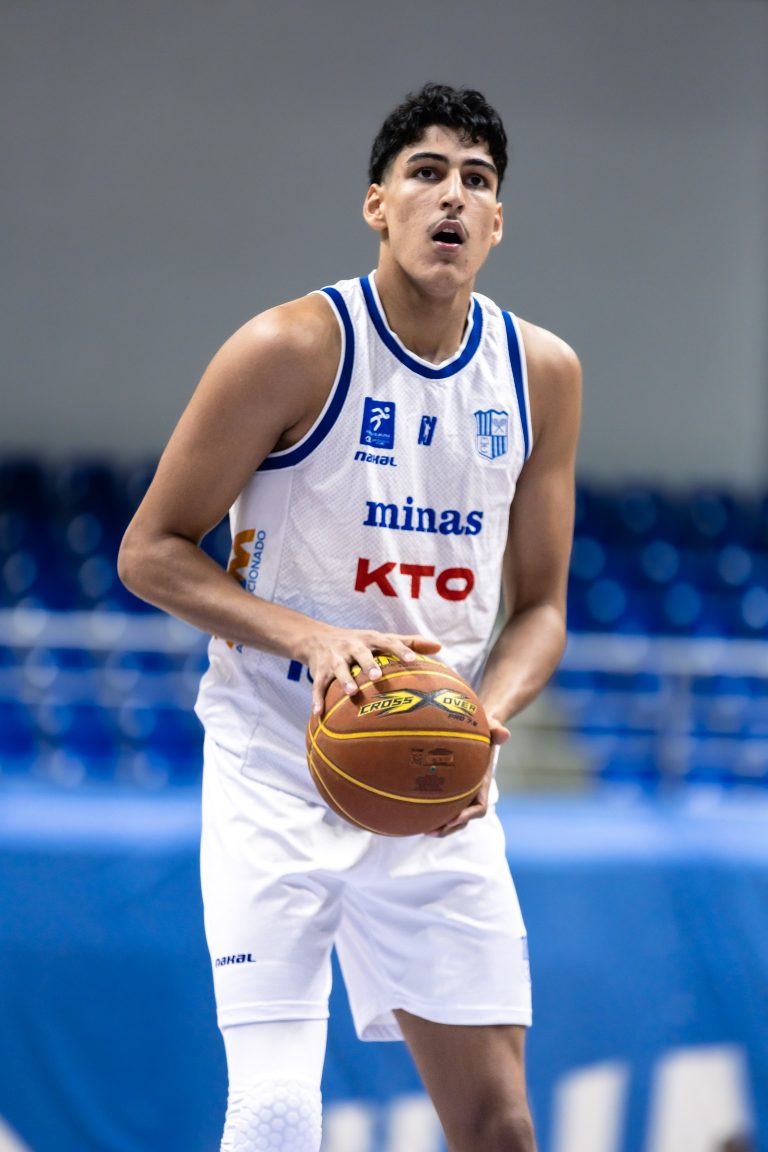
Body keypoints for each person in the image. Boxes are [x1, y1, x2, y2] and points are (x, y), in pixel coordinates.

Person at [119, 82, 581, 1152]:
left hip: (428, 774)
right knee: (279, 1114)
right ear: (378, 203)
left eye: (477, 180)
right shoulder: (289, 347)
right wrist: (312, 636)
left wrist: (484, 722)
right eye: (427, 172)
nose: (452, 196)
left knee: (501, 1126)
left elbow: (544, 610)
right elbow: (149, 551)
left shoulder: (542, 374)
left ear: (498, 222)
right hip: (276, 762)